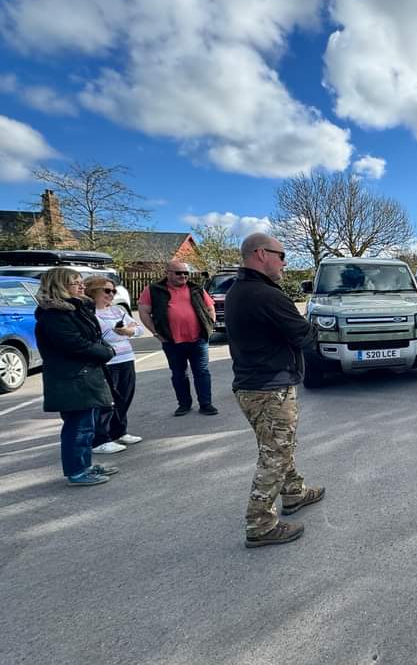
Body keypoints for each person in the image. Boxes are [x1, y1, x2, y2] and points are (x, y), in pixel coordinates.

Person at [226, 233, 325, 548]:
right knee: (276, 454)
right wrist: (313, 326)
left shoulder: (238, 290)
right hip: (270, 388)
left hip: (253, 385)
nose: (285, 262)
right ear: (260, 254)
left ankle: (294, 492)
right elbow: (304, 336)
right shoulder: (266, 295)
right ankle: (260, 524)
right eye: (281, 256)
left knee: (278, 445)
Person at [34, 267, 120, 486]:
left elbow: (94, 337)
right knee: (78, 427)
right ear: (60, 286)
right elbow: (75, 344)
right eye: (76, 283)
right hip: (71, 377)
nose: (82, 286)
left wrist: (105, 348)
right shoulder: (54, 316)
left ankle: (85, 465)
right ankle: (77, 471)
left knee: (87, 426)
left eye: (81, 282)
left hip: (84, 374)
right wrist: (105, 352)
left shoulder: (76, 309)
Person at [138, 259, 218, 417]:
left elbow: (210, 308)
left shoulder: (196, 288)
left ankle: (206, 404)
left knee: (202, 372)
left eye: (186, 273)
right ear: (167, 273)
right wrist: (156, 333)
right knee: (179, 374)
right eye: (178, 273)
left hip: (198, 340)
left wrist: (209, 326)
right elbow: (144, 312)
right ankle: (184, 404)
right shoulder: (153, 290)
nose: (183, 276)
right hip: (172, 341)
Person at [85, 275, 144, 454]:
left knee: (124, 397)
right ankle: (100, 439)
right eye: (107, 290)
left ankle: (119, 432)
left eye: (113, 291)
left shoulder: (117, 311)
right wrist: (124, 331)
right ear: (93, 291)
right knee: (107, 401)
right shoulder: (89, 314)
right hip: (107, 362)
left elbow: (139, 330)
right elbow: (105, 336)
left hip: (126, 358)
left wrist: (128, 331)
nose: (111, 294)